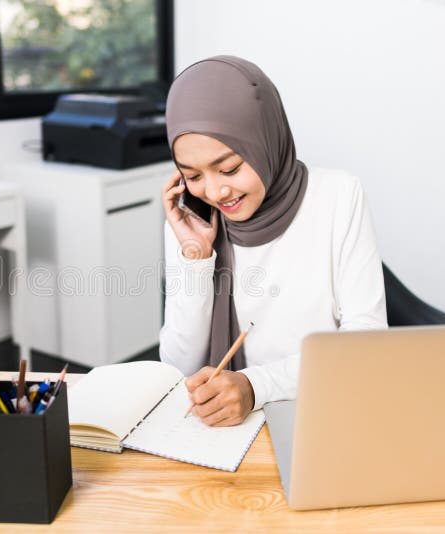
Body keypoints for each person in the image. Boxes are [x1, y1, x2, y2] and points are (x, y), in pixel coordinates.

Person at [160, 55, 387, 427]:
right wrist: (196, 257)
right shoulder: (192, 218)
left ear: (263, 139)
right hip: (222, 433)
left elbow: (367, 344)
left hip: (321, 415)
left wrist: (256, 386)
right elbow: (178, 368)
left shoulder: (338, 195)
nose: (216, 191)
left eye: (230, 167)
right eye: (193, 175)